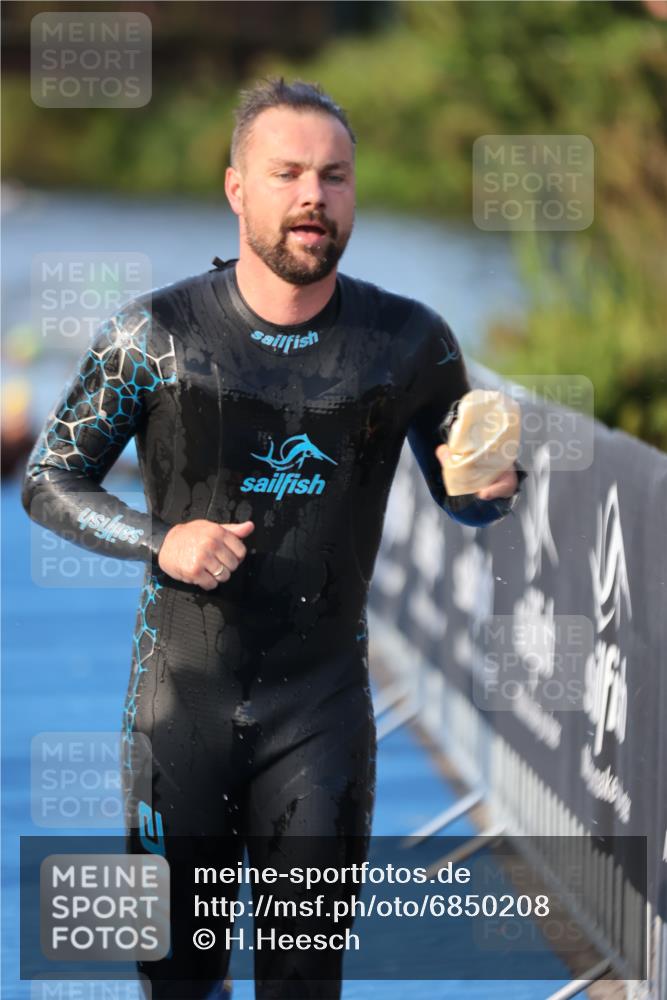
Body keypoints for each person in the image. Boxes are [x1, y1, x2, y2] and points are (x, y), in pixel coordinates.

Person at [22, 78, 522, 1000]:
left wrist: (491, 490)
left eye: (333, 177)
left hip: (321, 711)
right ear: (235, 189)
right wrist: (160, 540)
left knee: (303, 985)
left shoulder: (407, 343)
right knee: (176, 980)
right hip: (180, 709)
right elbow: (49, 480)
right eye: (286, 173)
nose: (311, 197)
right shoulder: (155, 337)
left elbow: (469, 501)